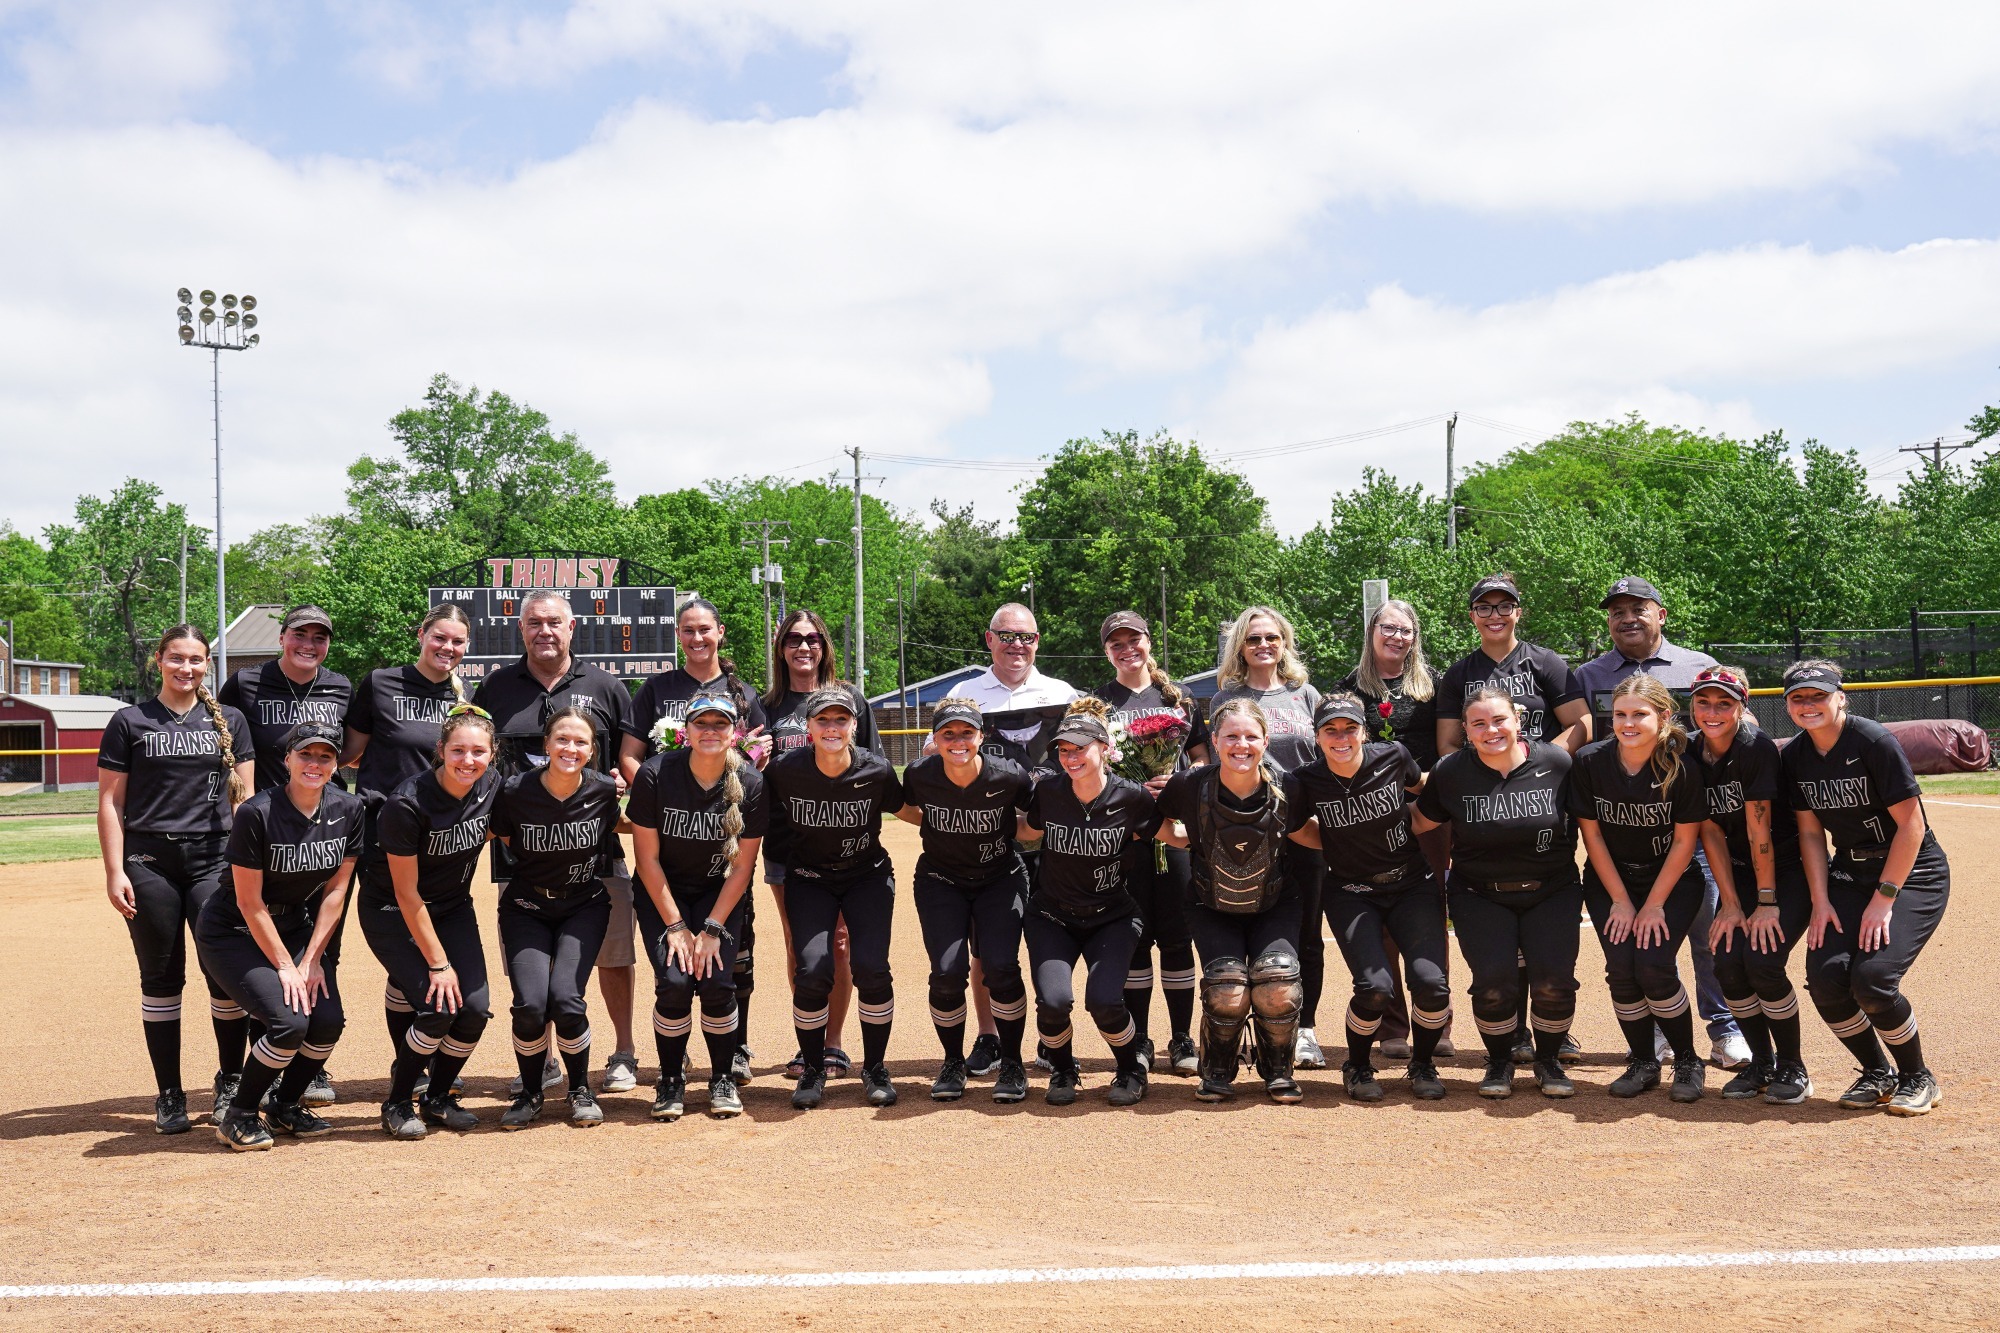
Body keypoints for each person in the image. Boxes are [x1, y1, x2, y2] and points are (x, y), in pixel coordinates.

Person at [1572, 576, 1747, 1072]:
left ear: (1661, 614)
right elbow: (1581, 733)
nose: (1627, 618)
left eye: (1639, 609)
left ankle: (1724, 1029)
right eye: (1617, 611)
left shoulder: (1698, 666)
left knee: (1707, 939)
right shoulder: (1588, 675)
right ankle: (1653, 1035)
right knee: (1643, 953)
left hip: (1689, 827)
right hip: (1626, 825)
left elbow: (1733, 722)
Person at [473, 590, 639, 1098]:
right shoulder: (496, 687)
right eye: (534, 623)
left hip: (598, 852)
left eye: (553, 622)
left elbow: (631, 757)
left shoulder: (606, 686)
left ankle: (623, 1052)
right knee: (532, 961)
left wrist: (624, 786)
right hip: (522, 858)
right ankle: (543, 1059)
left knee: (614, 954)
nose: (544, 631)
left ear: (571, 628)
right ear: (520, 629)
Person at [97, 625, 255, 1134]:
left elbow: (245, 803)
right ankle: (169, 1092)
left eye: (196, 659)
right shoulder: (130, 720)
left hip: (215, 861)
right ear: (159, 661)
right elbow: (110, 802)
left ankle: (231, 1080)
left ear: (207, 664)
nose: (186, 668)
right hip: (150, 861)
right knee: (161, 978)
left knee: (224, 974)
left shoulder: (230, 720)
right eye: (177, 658)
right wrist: (115, 871)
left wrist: (247, 869)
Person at [1435, 574, 1590, 1066]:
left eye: (1505, 605)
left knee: (1546, 943)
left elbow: (1582, 722)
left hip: (1539, 791)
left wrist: (1536, 763)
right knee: (1498, 945)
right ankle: (1513, 1034)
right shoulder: (1460, 673)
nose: (1495, 615)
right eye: (1484, 607)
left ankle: (1548, 1035)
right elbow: (1447, 743)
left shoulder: (1545, 662)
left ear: (1518, 611)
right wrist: (1486, 765)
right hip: (1484, 789)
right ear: (1473, 616)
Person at [1782, 660, 1950, 1115]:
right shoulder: (1795, 756)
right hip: (1848, 874)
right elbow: (1810, 833)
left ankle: (1918, 1076)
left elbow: (1912, 826)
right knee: (1825, 980)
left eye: (1818, 695)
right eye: (1798, 698)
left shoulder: (1872, 741)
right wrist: (1820, 901)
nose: (1808, 704)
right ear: (1788, 705)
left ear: (1841, 697)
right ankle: (1878, 1072)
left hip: (1912, 873)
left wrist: (1884, 898)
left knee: (1873, 980)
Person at [621, 597, 769, 1084]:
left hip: (723, 850)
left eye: (705, 629)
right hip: (670, 835)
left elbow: (754, 761)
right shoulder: (657, 689)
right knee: (676, 981)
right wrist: (665, 791)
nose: (698, 637)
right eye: (688, 629)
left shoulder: (743, 693)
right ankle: (674, 1068)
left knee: (729, 967)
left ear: (720, 632)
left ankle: (732, 1055)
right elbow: (630, 755)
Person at [194, 721, 361, 1149]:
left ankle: (285, 1105)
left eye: (325, 756)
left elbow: (336, 892)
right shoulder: (258, 812)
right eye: (305, 754)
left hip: (293, 927)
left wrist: (312, 959)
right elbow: (249, 902)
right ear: (287, 759)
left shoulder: (349, 809)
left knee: (327, 1022)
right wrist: (287, 967)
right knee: (289, 1023)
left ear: (336, 764)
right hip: (233, 930)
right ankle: (239, 1114)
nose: (314, 763)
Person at [1411, 686, 1581, 1099]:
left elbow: (1590, 821)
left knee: (1554, 982)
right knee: (1493, 983)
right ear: (1466, 730)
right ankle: (1500, 1060)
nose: (1491, 730)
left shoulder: (1556, 762)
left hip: (1552, 890)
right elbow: (1419, 822)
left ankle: (1548, 1060)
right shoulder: (1452, 771)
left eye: (1500, 720)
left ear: (1518, 720)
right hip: (1479, 893)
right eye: (1479, 723)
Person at [217, 603, 354, 1109]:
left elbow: (352, 747)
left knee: (321, 946)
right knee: (264, 949)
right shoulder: (246, 683)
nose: (309, 644)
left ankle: (303, 1062)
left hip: (322, 834)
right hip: (267, 830)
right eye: (301, 634)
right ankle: (264, 1057)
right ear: (282, 637)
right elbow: (227, 741)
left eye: (320, 637)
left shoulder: (340, 687)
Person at [1287, 695, 1451, 1102]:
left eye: (1350, 728)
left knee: (1432, 985)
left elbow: (1423, 788)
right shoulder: (1305, 780)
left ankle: (1422, 1064)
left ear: (1363, 731)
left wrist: (1421, 819)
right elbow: (1296, 829)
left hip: (1411, 884)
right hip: (1351, 891)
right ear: (1317, 736)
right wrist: (1337, 843)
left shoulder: (1393, 755)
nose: (1341, 737)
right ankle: (1358, 1065)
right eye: (1330, 730)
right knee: (1375, 987)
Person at [941, 602, 1079, 1076]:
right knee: (986, 948)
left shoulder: (1061, 693)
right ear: (989, 639)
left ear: (1037, 641)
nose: (1017, 645)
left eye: (1026, 637)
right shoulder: (964, 693)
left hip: (1052, 840)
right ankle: (989, 1036)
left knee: (1047, 938)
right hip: (987, 843)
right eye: (1007, 636)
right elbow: (941, 754)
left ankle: (1049, 1036)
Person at [343, 603, 476, 1093]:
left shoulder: (465, 696)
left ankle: (417, 1065)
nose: (447, 647)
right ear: (421, 634)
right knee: (405, 952)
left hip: (443, 838)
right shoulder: (381, 683)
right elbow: (348, 753)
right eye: (440, 637)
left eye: (457, 641)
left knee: (422, 950)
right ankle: (411, 1069)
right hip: (386, 834)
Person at [1570, 675, 1715, 1102]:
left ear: (1664, 717)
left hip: (1671, 881)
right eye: (1620, 714)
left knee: (1653, 965)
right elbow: (1592, 837)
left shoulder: (1681, 767)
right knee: (1621, 969)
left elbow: (1686, 843)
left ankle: (1687, 1060)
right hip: (1610, 881)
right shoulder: (1591, 761)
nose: (1628, 723)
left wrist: (1652, 905)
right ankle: (1643, 1061)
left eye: (1639, 714)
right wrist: (1620, 900)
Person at [1154, 699, 1305, 1103]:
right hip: (1211, 904)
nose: (1242, 744)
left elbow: (1306, 831)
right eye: (1231, 736)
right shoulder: (1190, 784)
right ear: (1215, 741)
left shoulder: (1288, 785)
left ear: (1265, 741)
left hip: (1275, 901)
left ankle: (1278, 1067)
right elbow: (1156, 819)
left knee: (1278, 983)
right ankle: (1218, 1068)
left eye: (1251, 736)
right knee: (1227, 988)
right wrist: (1185, 839)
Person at [362, 704, 500, 1139]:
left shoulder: (491, 785)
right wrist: (438, 964)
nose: (468, 760)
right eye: (458, 750)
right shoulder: (407, 804)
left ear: (493, 754)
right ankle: (398, 1101)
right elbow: (407, 894)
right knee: (439, 1008)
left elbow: (497, 825)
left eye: (478, 751)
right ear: (440, 750)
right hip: (393, 911)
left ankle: (438, 1096)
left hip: (452, 906)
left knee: (474, 1010)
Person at [765, 686, 905, 1109]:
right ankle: (812, 1068)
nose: (831, 727)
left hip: (867, 878)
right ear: (808, 727)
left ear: (854, 726)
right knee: (812, 970)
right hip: (810, 879)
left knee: (872, 969)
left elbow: (910, 810)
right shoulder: (785, 770)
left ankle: (875, 1067)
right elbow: (757, 814)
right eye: (822, 719)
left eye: (840, 719)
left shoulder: (876, 770)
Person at [1017, 698, 1159, 1107]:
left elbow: (1169, 834)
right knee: (1053, 1003)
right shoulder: (1049, 791)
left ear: (1104, 748)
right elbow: (1028, 830)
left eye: (1080, 747)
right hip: (1052, 916)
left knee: (1104, 1001)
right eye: (1064, 749)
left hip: (1112, 917)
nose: (1071, 757)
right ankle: (1063, 1070)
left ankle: (1130, 1069)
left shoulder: (1132, 797)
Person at [490, 707, 625, 1130]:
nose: (570, 748)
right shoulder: (515, 790)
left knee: (566, 1000)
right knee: (530, 1005)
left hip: (583, 906)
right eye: (562, 739)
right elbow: (502, 834)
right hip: (526, 907)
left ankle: (580, 1088)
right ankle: (531, 1093)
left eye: (580, 741)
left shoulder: (604, 789)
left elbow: (624, 825)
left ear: (592, 749)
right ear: (546, 744)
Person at [895, 700, 1034, 1103]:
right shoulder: (920, 774)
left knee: (1001, 967)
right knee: (946, 972)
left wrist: (1008, 827)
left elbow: (1037, 818)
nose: (958, 741)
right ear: (935, 739)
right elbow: (902, 807)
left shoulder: (1008, 775)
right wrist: (936, 824)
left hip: (999, 879)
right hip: (941, 880)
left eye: (967, 732)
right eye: (948, 733)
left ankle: (1012, 1062)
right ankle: (953, 1061)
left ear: (981, 736)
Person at [1689, 665, 1815, 1105]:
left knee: (1763, 962)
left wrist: (1765, 903)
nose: (1712, 712)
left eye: (1724, 703)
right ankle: (1762, 1063)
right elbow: (1710, 831)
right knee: (1727, 964)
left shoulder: (1754, 747)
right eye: (1704, 702)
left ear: (1742, 707)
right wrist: (1729, 902)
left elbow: (1759, 831)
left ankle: (1794, 1066)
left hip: (1786, 871)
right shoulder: (1690, 751)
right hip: (1740, 871)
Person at [1210, 606, 1328, 1070]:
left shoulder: (1306, 694)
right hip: (1245, 831)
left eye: (1272, 637)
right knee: (1247, 929)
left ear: (1284, 643)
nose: (1263, 645)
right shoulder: (1227, 698)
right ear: (1240, 646)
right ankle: (1239, 1029)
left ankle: (1304, 1030)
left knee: (1307, 934)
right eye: (1254, 638)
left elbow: (1323, 758)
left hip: (1300, 828)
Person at [759, 608, 874, 1081]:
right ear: (781, 648)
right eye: (793, 639)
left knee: (840, 943)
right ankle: (808, 1039)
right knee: (801, 943)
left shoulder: (851, 699)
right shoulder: (764, 706)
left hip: (844, 844)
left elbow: (871, 766)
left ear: (824, 646)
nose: (803, 647)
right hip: (786, 844)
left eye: (812, 639)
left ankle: (833, 1043)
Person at [1336, 597, 1453, 1059]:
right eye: (1388, 628)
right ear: (1372, 631)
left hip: (1427, 810)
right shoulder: (1350, 687)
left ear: (1415, 637)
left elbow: (1448, 745)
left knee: (1430, 912)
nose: (1396, 637)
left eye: (1405, 630)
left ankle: (1435, 1018)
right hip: (1369, 816)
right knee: (1380, 913)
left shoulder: (1434, 684)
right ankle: (1392, 1026)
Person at [1092, 610, 1207, 1077]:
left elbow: (1201, 756)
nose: (1127, 649)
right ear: (1107, 652)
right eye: (1116, 643)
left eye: (1133, 639)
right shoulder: (1097, 703)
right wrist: (1127, 785)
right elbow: (1087, 761)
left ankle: (1181, 1038)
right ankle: (1140, 1039)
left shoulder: (1178, 697)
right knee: (1134, 939)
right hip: (1125, 835)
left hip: (1173, 830)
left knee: (1178, 939)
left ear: (1148, 642)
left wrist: (1178, 781)